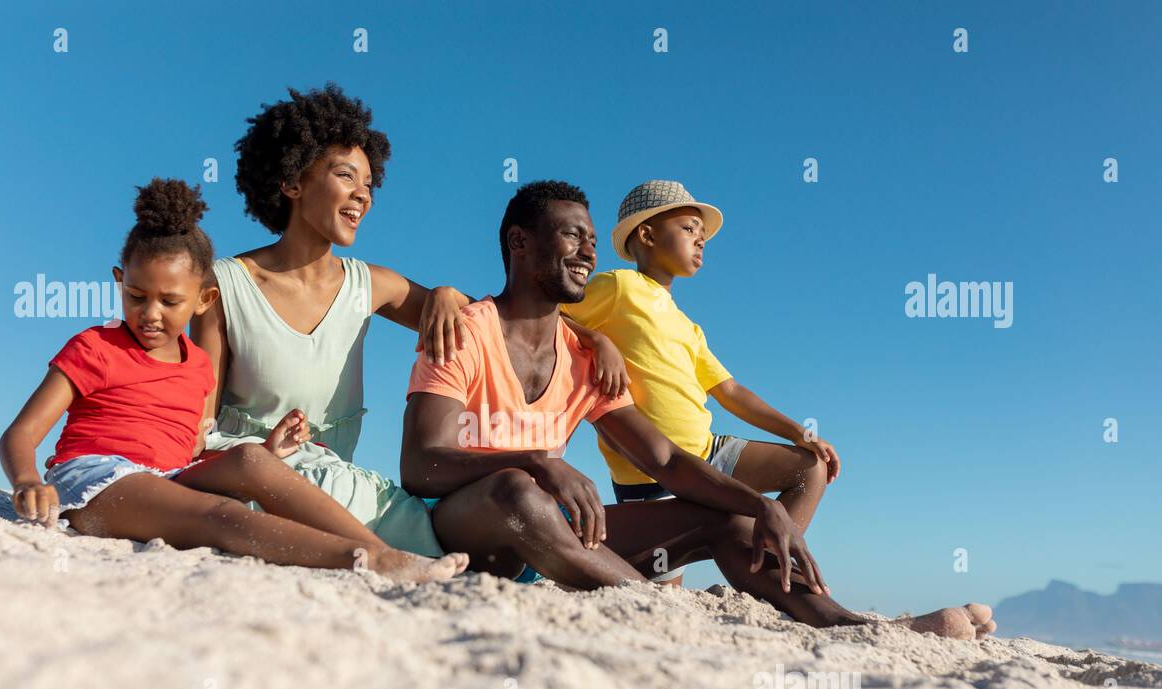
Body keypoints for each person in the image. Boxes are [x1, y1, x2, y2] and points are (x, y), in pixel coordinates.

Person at [399, 180, 997, 639]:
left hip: (554, 544)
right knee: (518, 489)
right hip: (471, 531)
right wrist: (538, 461)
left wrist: (761, 506)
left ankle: (847, 624)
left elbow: (664, 458)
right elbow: (421, 466)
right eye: (571, 236)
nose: (586, 251)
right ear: (519, 243)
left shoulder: (585, 357)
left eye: (589, 237)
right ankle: (664, 611)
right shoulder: (464, 330)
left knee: (729, 521)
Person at [191, 83, 629, 557]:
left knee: (444, 547)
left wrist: (592, 339)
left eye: (369, 184)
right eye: (345, 176)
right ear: (292, 181)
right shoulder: (224, 285)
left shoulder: (373, 285)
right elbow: (200, 424)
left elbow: (502, 320)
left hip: (335, 485)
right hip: (251, 470)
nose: (363, 196)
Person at [0, 178, 468, 583]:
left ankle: (378, 549)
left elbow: (191, 447)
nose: (150, 314)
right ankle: (363, 560)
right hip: (97, 480)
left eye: (170, 301)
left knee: (248, 458)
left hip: (169, 476)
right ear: (119, 280)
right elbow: (21, 433)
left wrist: (269, 453)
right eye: (136, 296)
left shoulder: (198, 367)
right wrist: (26, 480)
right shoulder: (95, 347)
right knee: (221, 517)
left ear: (203, 300)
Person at [561, 179, 838, 586]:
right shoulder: (619, 287)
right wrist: (596, 338)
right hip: (649, 473)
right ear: (648, 234)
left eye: (703, 235)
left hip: (709, 454)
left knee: (809, 469)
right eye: (689, 229)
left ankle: (772, 570)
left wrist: (800, 433)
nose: (700, 241)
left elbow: (730, 392)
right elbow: (547, 318)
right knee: (661, 587)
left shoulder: (689, 326)